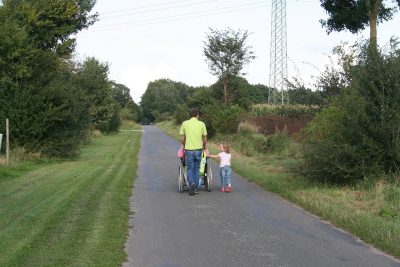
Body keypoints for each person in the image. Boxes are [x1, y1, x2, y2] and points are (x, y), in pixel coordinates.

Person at [179, 108, 207, 196]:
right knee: (197, 168)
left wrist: (184, 144)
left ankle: (191, 184)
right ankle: (195, 187)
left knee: (190, 167)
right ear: (197, 114)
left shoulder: (185, 123)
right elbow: (205, 138)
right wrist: (203, 146)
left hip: (189, 149)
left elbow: (182, 138)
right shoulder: (202, 124)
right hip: (198, 149)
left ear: (190, 115)